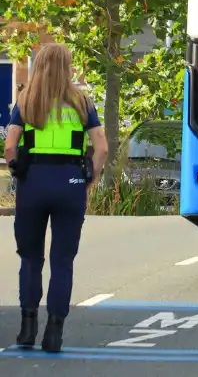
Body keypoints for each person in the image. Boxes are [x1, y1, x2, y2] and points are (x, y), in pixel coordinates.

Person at [7, 43, 107, 353]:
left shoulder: (26, 101)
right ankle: (54, 334)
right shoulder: (82, 103)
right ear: (67, 68)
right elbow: (101, 147)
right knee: (62, 261)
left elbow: (10, 148)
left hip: (34, 183)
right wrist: (90, 177)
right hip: (70, 183)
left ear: (37, 65)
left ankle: (27, 328)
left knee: (31, 258)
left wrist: (18, 170)